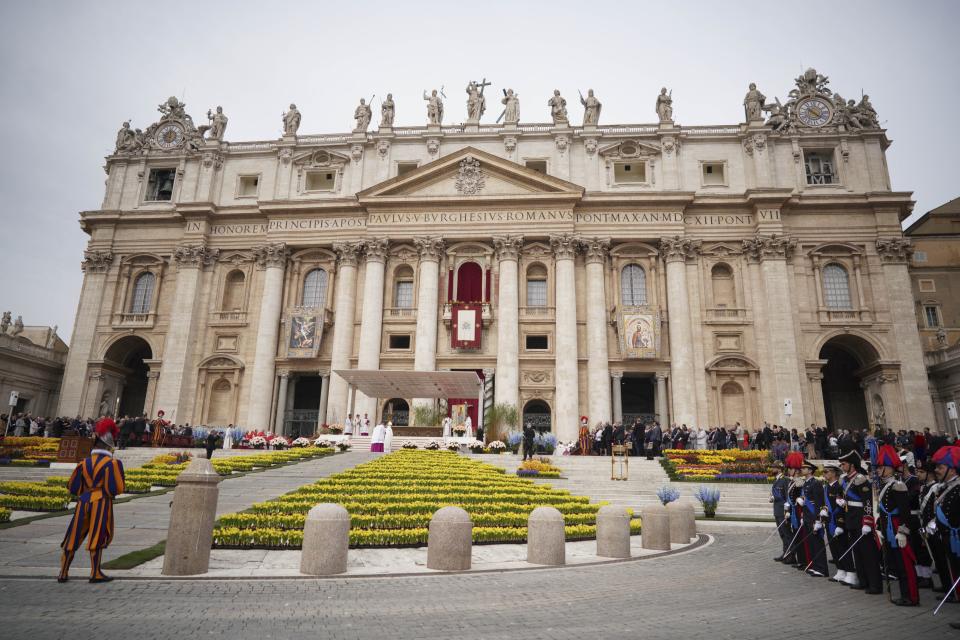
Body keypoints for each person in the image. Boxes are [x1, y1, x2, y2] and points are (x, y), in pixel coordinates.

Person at [58, 416, 126, 583]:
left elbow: (73, 486)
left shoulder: (83, 463)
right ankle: (95, 572)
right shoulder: (112, 464)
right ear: (109, 447)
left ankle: (63, 572)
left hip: (84, 500)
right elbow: (117, 487)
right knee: (98, 534)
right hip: (101, 501)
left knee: (74, 535)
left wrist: (85, 492)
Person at [875, 444, 919, 605]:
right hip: (888, 529)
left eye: (881, 467)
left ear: (890, 468)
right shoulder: (885, 486)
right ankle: (904, 594)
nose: (878, 470)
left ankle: (911, 596)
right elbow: (882, 511)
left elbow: (904, 512)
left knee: (905, 564)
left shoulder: (898, 486)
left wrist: (903, 531)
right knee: (897, 564)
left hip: (897, 528)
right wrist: (880, 527)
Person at [838, 449, 883, 594]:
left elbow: (867, 502)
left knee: (868, 554)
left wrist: (867, 522)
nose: (842, 466)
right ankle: (863, 580)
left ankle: (875, 585)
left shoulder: (861, 479)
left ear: (852, 465)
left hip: (860, 519)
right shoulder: (845, 480)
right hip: (850, 518)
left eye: (843, 464)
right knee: (857, 552)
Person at [821, 461, 855, 584]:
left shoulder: (839, 487)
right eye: (823, 472)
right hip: (829, 522)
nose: (824, 474)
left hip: (838, 522)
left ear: (834, 473)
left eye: (826, 472)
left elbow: (842, 507)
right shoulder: (826, 487)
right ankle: (840, 570)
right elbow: (824, 504)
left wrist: (840, 524)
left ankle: (850, 572)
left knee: (843, 548)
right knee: (834, 548)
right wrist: (823, 512)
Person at [799, 459, 829, 577]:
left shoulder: (816, 483)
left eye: (804, 468)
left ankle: (822, 568)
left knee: (817, 543)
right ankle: (815, 566)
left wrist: (818, 520)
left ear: (810, 470)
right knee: (811, 543)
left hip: (813, 517)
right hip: (807, 517)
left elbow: (819, 503)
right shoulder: (806, 483)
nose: (802, 470)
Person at [770, 461, 792, 561]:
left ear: (779, 469)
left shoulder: (785, 480)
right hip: (777, 510)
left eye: (774, 467)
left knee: (787, 534)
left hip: (783, 511)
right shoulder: (777, 480)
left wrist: (788, 511)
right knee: (782, 534)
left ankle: (790, 555)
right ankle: (785, 553)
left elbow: (788, 496)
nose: (772, 469)